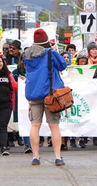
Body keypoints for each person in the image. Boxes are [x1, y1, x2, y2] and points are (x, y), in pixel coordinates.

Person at [23, 29, 68, 166]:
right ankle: (57, 157)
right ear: (47, 42)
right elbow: (63, 65)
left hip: (33, 93)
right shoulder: (50, 53)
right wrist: (54, 49)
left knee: (35, 125)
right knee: (54, 126)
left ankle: (35, 157)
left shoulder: (26, 54)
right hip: (50, 94)